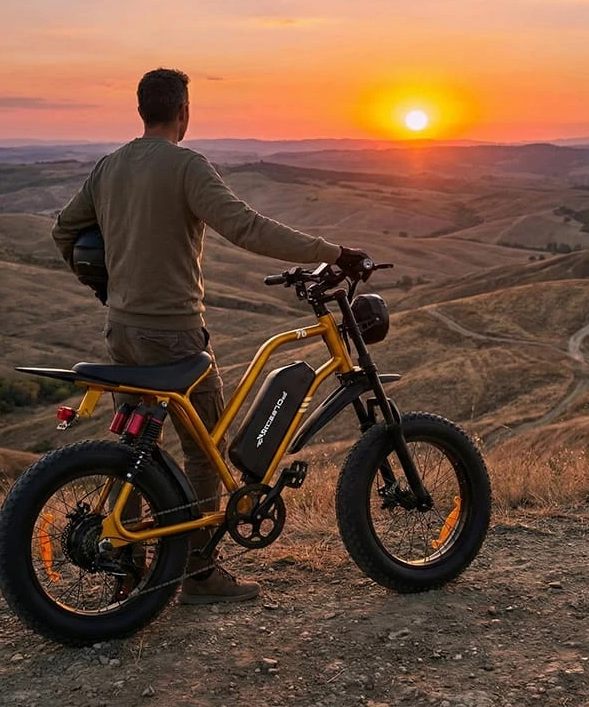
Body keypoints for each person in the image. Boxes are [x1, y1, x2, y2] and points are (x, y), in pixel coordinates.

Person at [51, 67, 369, 605]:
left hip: (121, 332)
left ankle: (129, 566)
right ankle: (199, 571)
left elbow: (65, 229)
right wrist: (331, 251)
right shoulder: (186, 166)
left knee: (135, 448)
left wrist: (105, 286)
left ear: (141, 111)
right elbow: (245, 227)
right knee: (205, 449)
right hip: (174, 333)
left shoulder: (110, 167)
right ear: (184, 112)